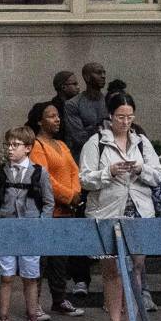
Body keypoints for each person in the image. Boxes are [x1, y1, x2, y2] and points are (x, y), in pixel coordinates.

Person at [79, 93, 161, 321]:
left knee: (136, 267)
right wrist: (109, 172)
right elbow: (84, 179)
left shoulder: (142, 143)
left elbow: (158, 175)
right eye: (120, 117)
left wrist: (140, 169)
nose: (125, 122)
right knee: (111, 270)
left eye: (129, 117)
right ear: (110, 116)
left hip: (138, 211)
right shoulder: (96, 143)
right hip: (107, 211)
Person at [0, 126, 55, 321]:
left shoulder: (39, 172)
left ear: (28, 148)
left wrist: (42, 226)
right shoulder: (0, 172)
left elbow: (48, 202)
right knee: (5, 277)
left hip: (30, 230)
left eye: (15, 145)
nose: (10, 149)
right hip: (6, 229)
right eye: (8, 145)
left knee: (30, 277)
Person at [26, 101, 84, 320]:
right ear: (40, 121)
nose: (57, 119)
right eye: (51, 116)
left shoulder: (62, 144)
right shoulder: (37, 146)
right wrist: (69, 196)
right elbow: (44, 178)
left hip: (66, 212)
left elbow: (73, 171)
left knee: (61, 260)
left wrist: (75, 194)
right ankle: (35, 304)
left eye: (58, 115)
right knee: (41, 261)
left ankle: (59, 300)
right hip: (46, 212)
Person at [63, 62, 107, 298]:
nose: (102, 76)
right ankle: (81, 278)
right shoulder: (73, 104)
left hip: (109, 169)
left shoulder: (109, 101)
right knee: (81, 223)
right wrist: (100, 128)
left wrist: (96, 128)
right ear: (86, 76)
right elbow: (78, 136)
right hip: (83, 168)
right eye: (98, 73)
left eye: (103, 72)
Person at [50, 71, 80, 142]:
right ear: (63, 87)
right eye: (74, 84)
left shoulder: (79, 104)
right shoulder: (52, 108)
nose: (78, 87)